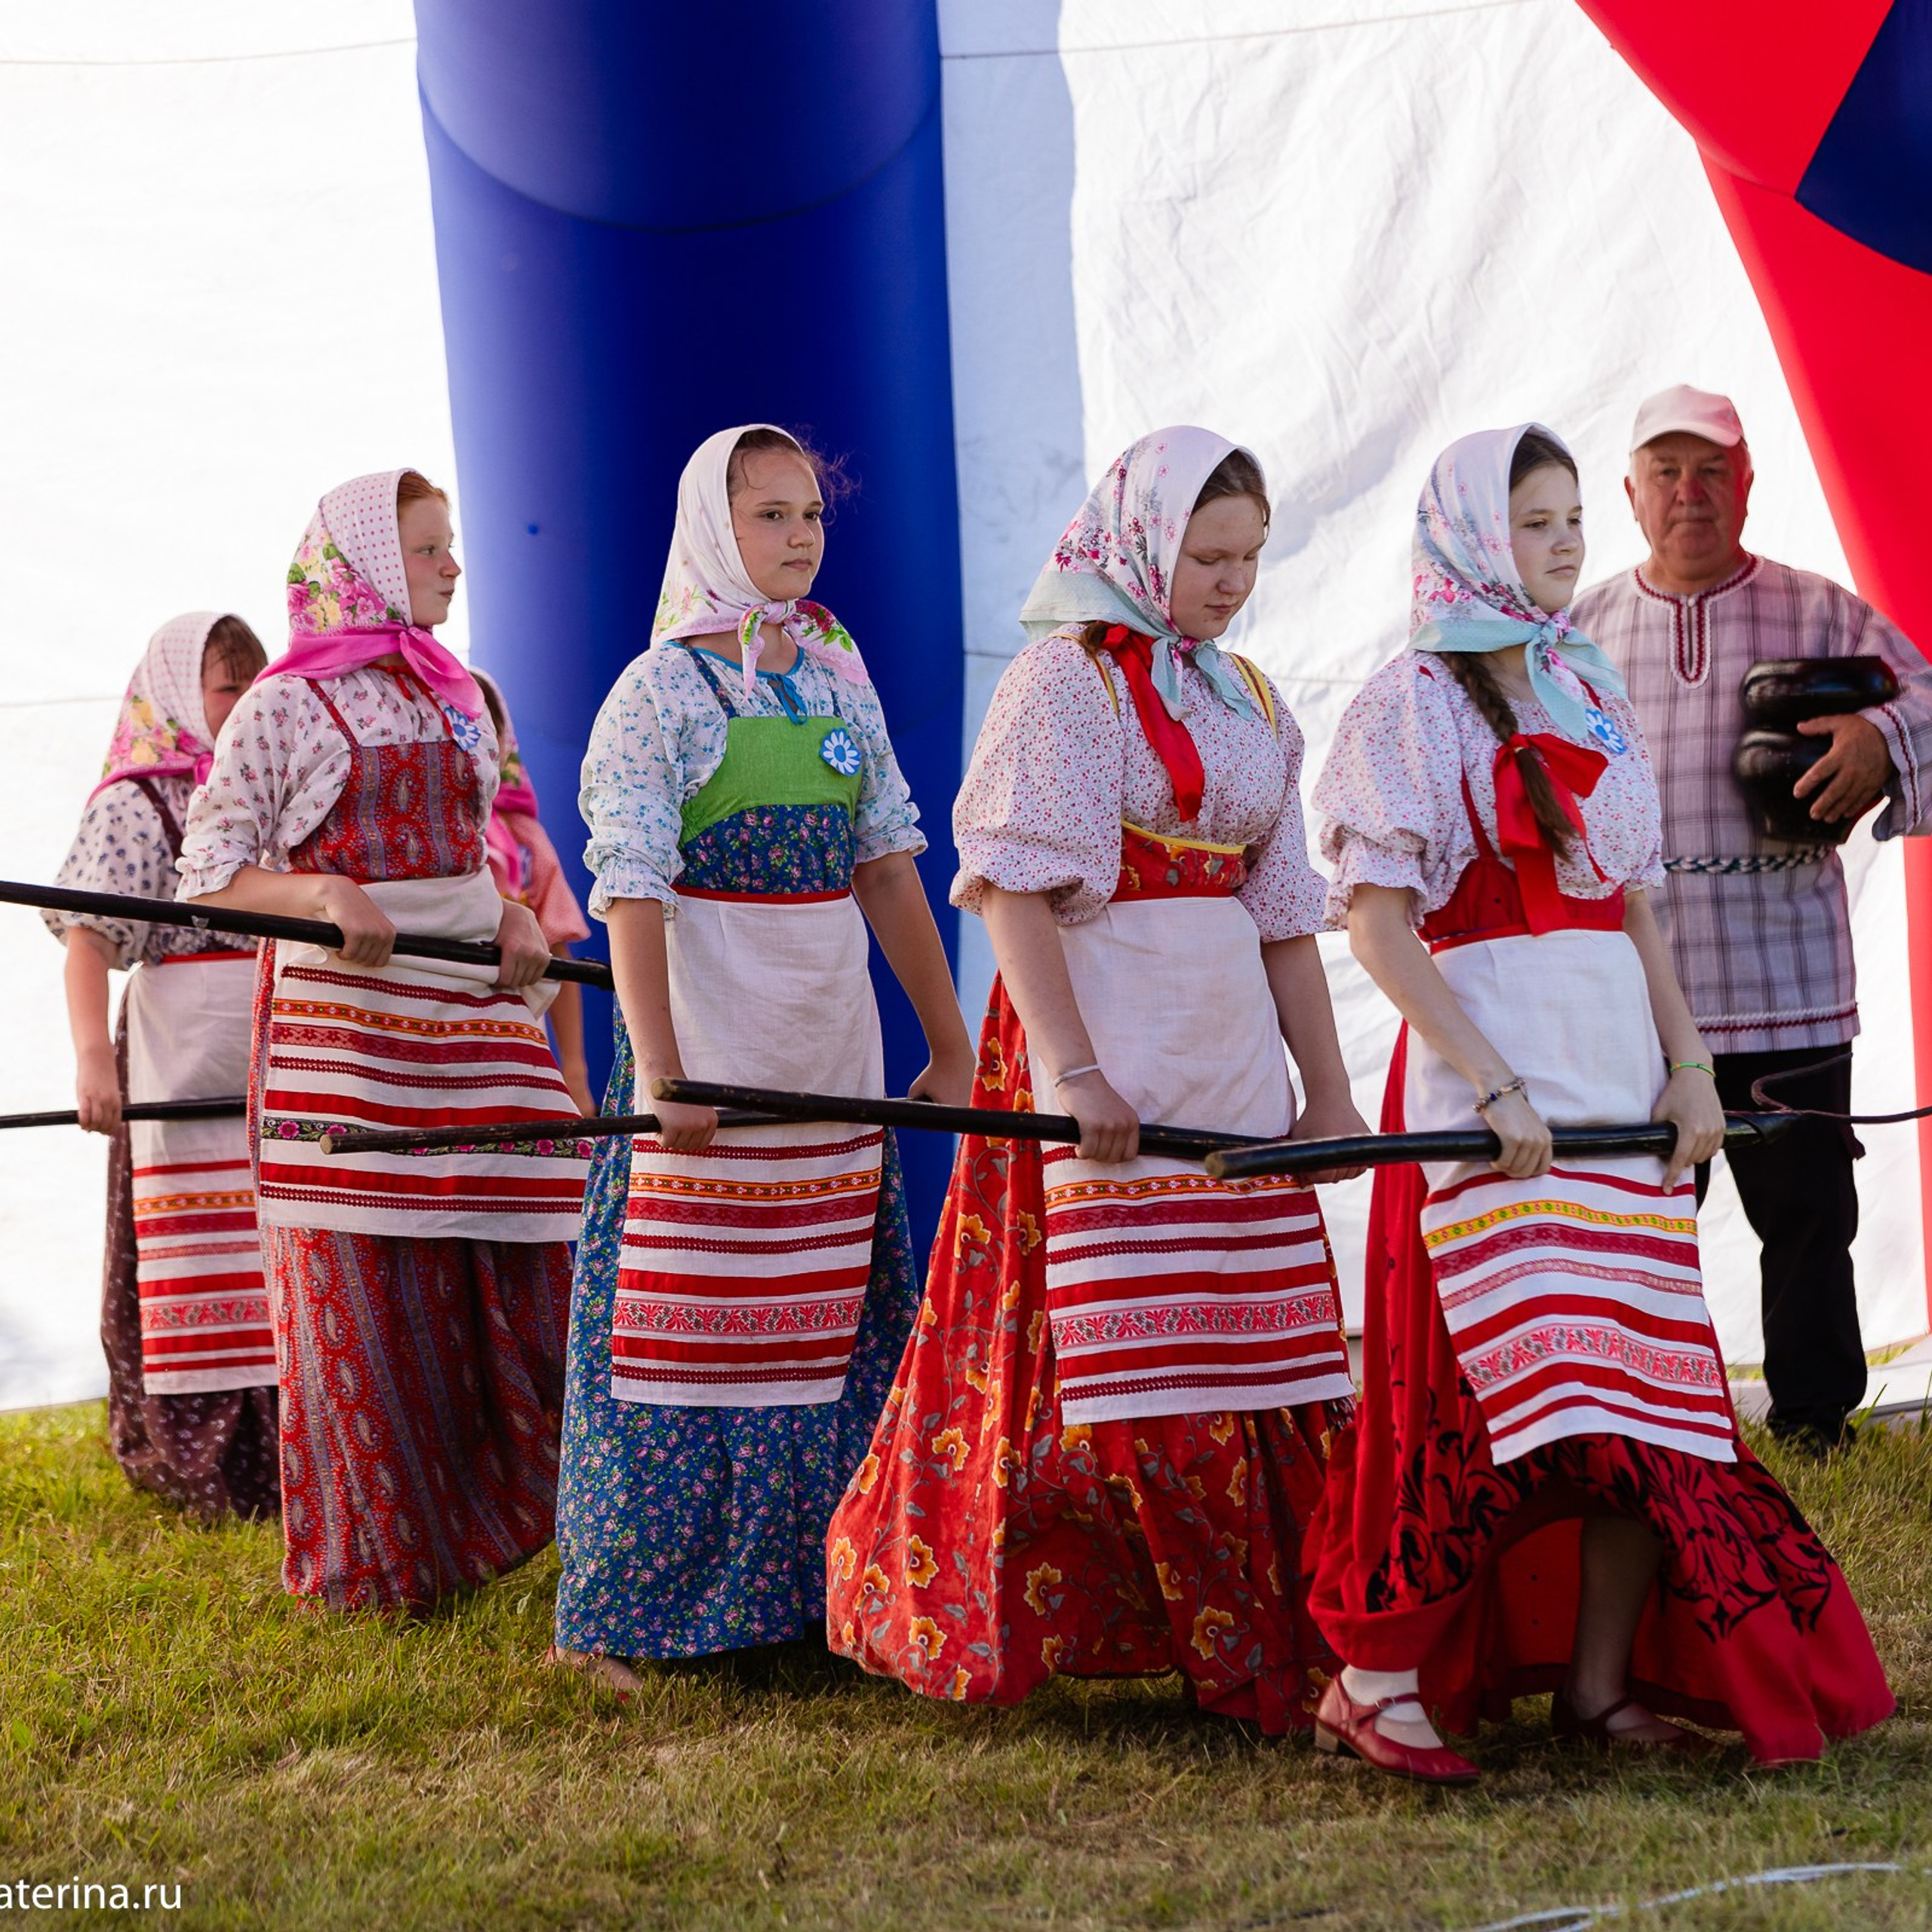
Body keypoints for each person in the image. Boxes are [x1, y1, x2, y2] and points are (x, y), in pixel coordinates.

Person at [1306, 422, 1893, 1782]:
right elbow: (1383, 930)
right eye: (1535, 524)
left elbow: (1634, 911)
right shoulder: (1410, 703)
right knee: (1478, 1401)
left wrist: (1686, 1069)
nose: (1566, 545)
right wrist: (1494, 1083)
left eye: (1573, 520)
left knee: (1659, 1399)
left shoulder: (1587, 689)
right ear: (1465, 538)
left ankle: (1598, 1684)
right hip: (1483, 1096)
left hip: (1611, 1078)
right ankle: (1374, 1681)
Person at [827, 427, 1368, 1733]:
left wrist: (1332, 1094)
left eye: (1249, 557)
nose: (1232, 581)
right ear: (1139, 539)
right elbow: (1013, 890)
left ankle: (1278, 1628)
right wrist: (1074, 1072)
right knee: (1126, 1355)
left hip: (1226, 1049)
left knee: (1259, 1348)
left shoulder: (1247, 696)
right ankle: (1195, 1635)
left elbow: (1286, 917)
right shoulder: (1064, 682)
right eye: (1207, 553)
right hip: (1100, 1035)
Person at [555, 424, 973, 1685]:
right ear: (711, 531)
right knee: (683, 1327)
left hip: (825, 1043)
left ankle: (814, 1599)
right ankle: (630, 1618)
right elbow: (630, 895)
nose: (801, 538)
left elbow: (889, 863)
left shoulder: (838, 672)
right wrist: (667, 1071)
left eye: (811, 516)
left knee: (826, 1317)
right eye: (772, 518)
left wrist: (949, 1045)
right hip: (710, 1039)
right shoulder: (660, 693)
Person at [178, 469, 582, 1612]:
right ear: (358, 565)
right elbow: (206, 876)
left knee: (534, 1254)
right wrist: (320, 899)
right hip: (347, 1033)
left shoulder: (458, 694)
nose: (453, 565)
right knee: (369, 1285)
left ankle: (539, 1516)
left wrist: (508, 909)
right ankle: (390, 1563)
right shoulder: (283, 707)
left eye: (452, 545)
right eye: (426, 548)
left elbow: (480, 846)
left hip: (471, 1019)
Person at [1571, 384, 1932, 1455]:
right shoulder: (1575, 633)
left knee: (1811, 1221)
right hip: (1634, 997)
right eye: (1668, 474)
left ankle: (1816, 1423)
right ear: (1632, 496)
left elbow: (1930, 701)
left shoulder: (1820, 610)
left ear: (1748, 483)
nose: (1691, 493)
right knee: (1635, 1225)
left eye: (1712, 470)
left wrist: (1879, 737)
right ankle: (1650, 1424)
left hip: (1790, 987)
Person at [45, 612, 278, 1521]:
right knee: (193, 1250)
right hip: (177, 1052)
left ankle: (290, 1433)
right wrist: (92, 1061)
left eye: (255, 683)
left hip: (269, 1041)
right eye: (228, 686)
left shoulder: (270, 786)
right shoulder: (135, 802)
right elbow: (88, 940)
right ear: (181, 693)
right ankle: (198, 1451)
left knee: (271, 1240)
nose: (245, 702)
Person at [472, 669, 597, 1118]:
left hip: (521, 1052)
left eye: (486, 724)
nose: (473, 739)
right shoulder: (417, 839)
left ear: (504, 737)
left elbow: (558, 954)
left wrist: (576, 1077)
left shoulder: (526, 843)